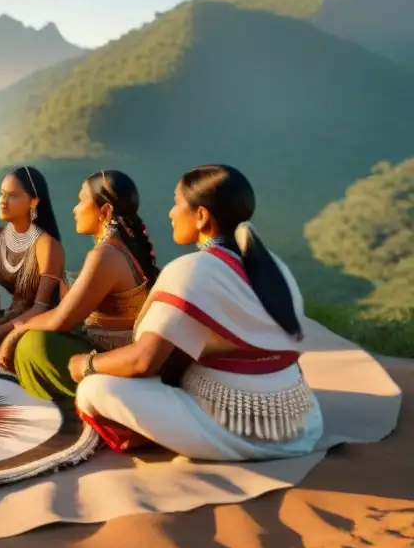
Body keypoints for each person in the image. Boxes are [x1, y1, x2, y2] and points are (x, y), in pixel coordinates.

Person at [71, 165, 324, 461]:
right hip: (300, 423)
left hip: (233, 429)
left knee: (93, 389)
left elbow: (142, 361)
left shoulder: (190, 270)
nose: (170, 212)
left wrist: (85, 364)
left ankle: (155, 438)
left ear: (201, 216)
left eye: (177, 203)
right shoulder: (274, 267)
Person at [2, 171, 161, 401]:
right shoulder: (117, 250)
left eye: (81, 200)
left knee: (33, 345)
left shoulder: (106, 254)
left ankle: (84, 405)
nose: (75, 209)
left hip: (113, 360)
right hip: (104, 343)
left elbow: (61, 319)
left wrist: (16, 332)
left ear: (104, 212)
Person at [0, 166, 65, 357]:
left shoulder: (46, 245)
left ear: (33, 202)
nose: (3, 201)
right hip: (11, 315)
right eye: (1, 194)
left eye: (12, 196)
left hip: (38, 319)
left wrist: (0, 331)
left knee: (26, 344)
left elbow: (41, 307)